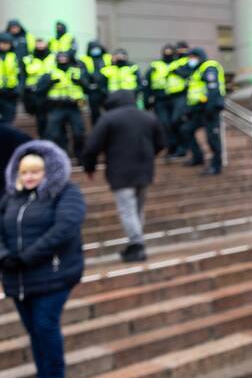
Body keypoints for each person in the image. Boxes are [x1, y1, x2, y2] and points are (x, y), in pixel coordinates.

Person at [0, 140, 86, 378]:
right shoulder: (11, 198)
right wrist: (4, 256)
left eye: (35, 171)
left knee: (45, 326)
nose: (29, 177)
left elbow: (65, 228)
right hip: (19, 279)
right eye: (24, 172)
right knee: (34, 331)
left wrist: (28, 256)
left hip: (53, 276)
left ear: (48, 172)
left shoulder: (66, 193)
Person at [82, 90, 166, 262]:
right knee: (137, 209)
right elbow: (161, 143)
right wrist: (149, 157)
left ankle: (137, 244)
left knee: (128, 209)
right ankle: (135, 242)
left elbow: (92, 146)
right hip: (144, 170)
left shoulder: (109, 118)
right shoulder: (147, 117)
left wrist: (89, 167)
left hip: (120, 171)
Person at [176, 48, 225, 176]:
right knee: (186, 129)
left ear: (199, 56)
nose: (190, 60)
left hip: (210, 109)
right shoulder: (196, 70)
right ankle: (198, 157)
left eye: (193, 57)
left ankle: (216, 166)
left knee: (212, 138)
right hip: (198, 110)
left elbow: (213, 90)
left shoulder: (209, 67)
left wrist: (210, 108)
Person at [37, 50, 86, 158]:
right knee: (53, 134)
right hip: (56, 107)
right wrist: (50, 83)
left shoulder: (76, 72)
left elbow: (87, 87)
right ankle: (60, 154)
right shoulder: (50, 73)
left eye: (65, 57)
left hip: (74, 107)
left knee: (79, 133)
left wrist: (80, 82)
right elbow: (39, 90)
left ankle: (80, 155)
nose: (63, 59)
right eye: (60, 57)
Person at [22, 39, 51, 137]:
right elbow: (24, 75)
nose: (40, 45)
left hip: (51, 91)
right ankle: (42, 137)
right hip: (36, 92)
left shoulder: (52, 57)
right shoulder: (29, 59)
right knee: (40, 118)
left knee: (51, 118)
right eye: (38, 43)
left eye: (42, 42)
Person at [78, 40, 110, 125]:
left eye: (97, 48)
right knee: (95, 113)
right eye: (93, 48)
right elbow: (83, 74)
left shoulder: (107, 58)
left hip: (105, 89)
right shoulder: (84, 59)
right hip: (93, 90)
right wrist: (88, 85)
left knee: (110, 111)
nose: (95, 50)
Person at [0, 33, 19, 124]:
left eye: (7, 43)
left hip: (11, 93)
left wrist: (18, 89)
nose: (4, 45)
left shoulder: (14, 56)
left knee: (9, 120)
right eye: (2, 42)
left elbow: (20, 74)